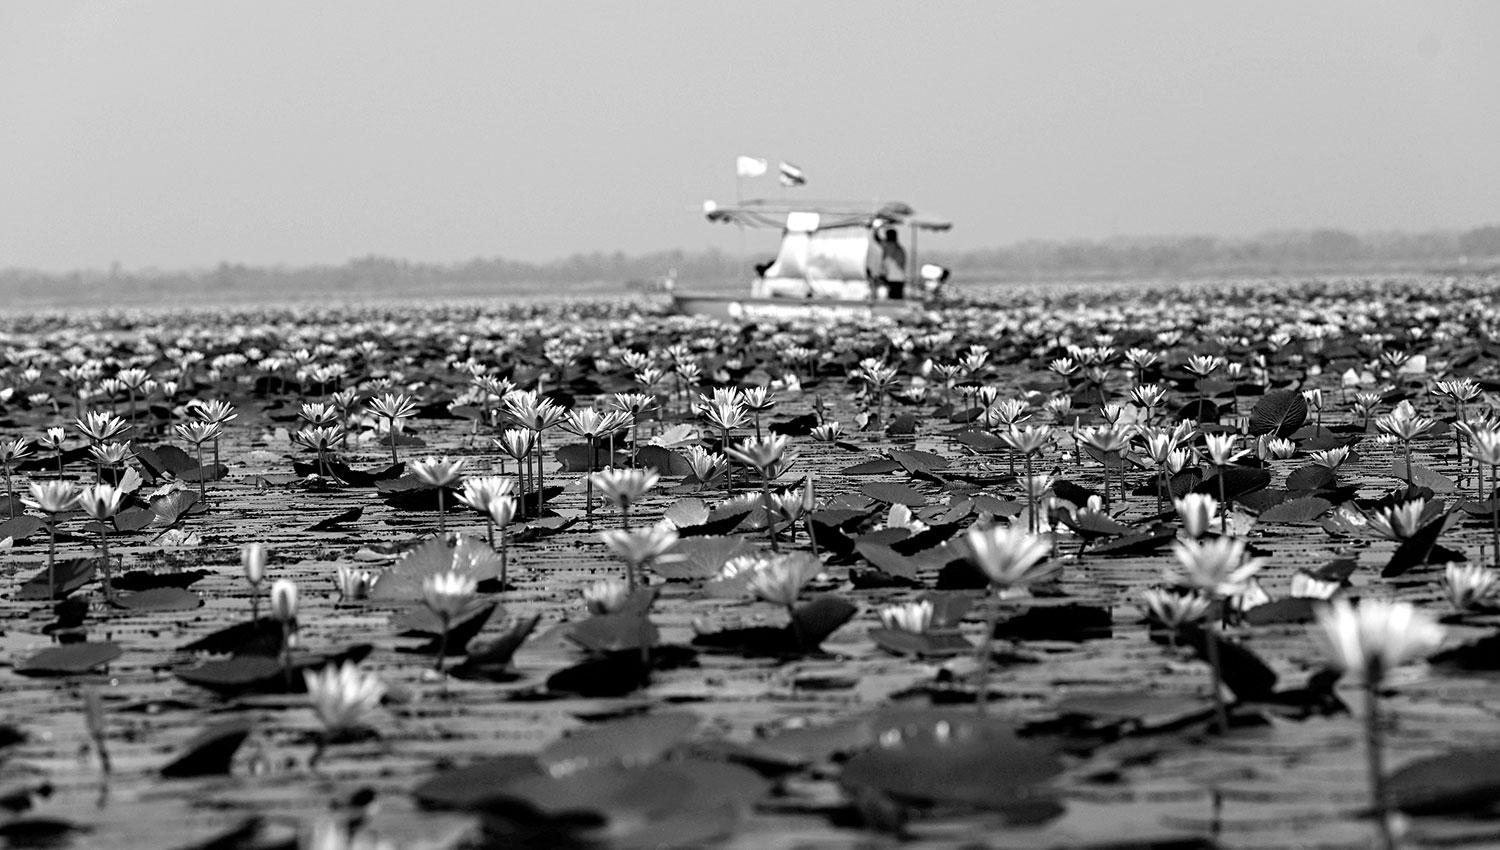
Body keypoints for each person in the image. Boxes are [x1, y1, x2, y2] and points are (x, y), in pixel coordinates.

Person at [874, 226, 907, 299]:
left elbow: (877, 238)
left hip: (892, 280)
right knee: (897, 301)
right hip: (899, 279)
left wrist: (876, 228)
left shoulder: (888, 245)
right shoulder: (899, 248)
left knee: (890, 302)